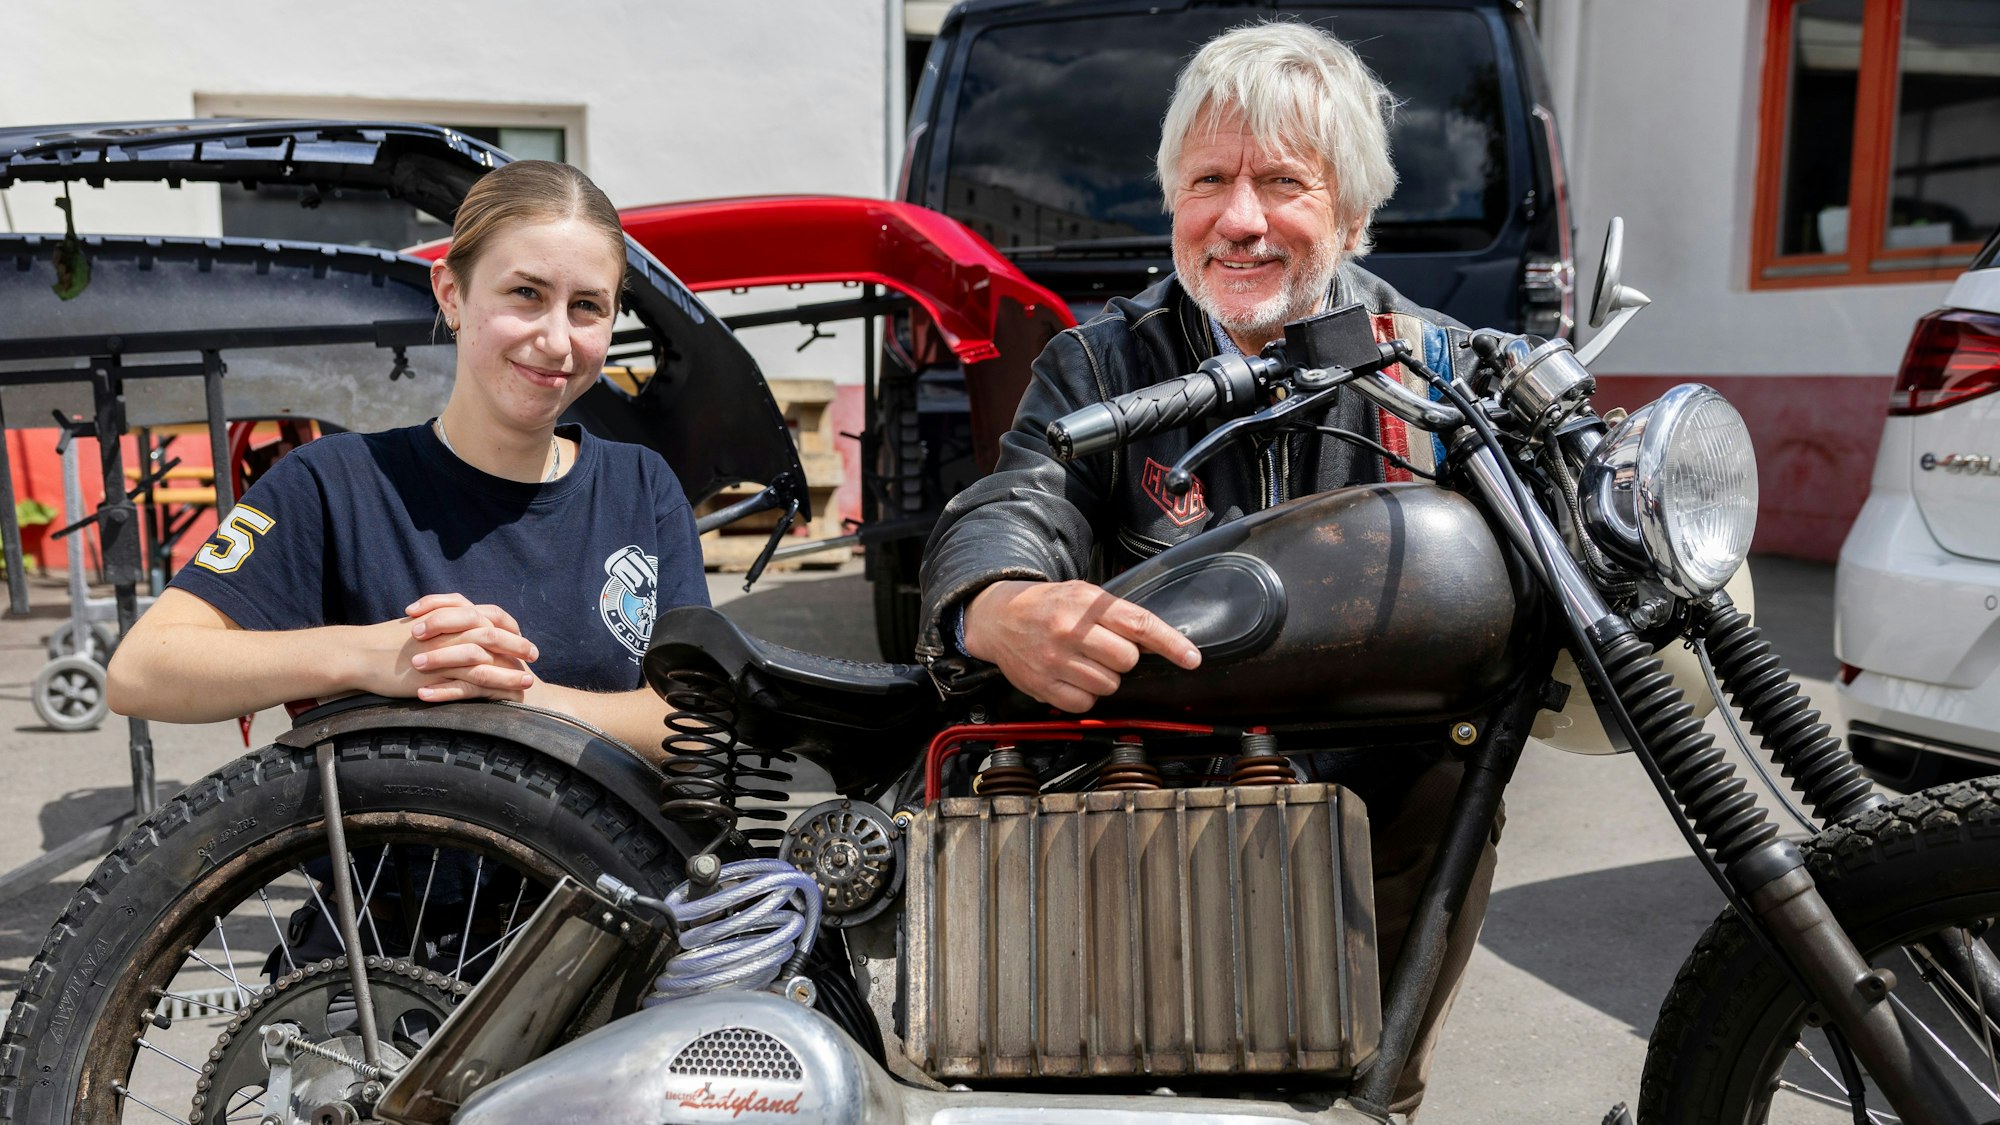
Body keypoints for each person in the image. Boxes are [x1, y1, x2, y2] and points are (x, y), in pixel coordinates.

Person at [916, 22, 1494, 1116]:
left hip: (1373, 839)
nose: (1238, 220)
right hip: (1147, 830)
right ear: (1171, 202)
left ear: (1354, 211)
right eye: (1207, 182)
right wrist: (992, 603)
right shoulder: (1096, 362)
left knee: (1352, 1100)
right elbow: (1016, 501)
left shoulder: (1438, 371)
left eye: (1282, 181)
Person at [106, 159, 708, 756]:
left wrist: (527, 701)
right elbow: (141, 672)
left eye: (587, 307)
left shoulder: (641, 485)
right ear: (451, 294)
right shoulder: (333, 484)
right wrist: (370, 654)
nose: (556, 340)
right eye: (526, 293)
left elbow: (694, 723)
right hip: (380, 852)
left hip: (596, 854)